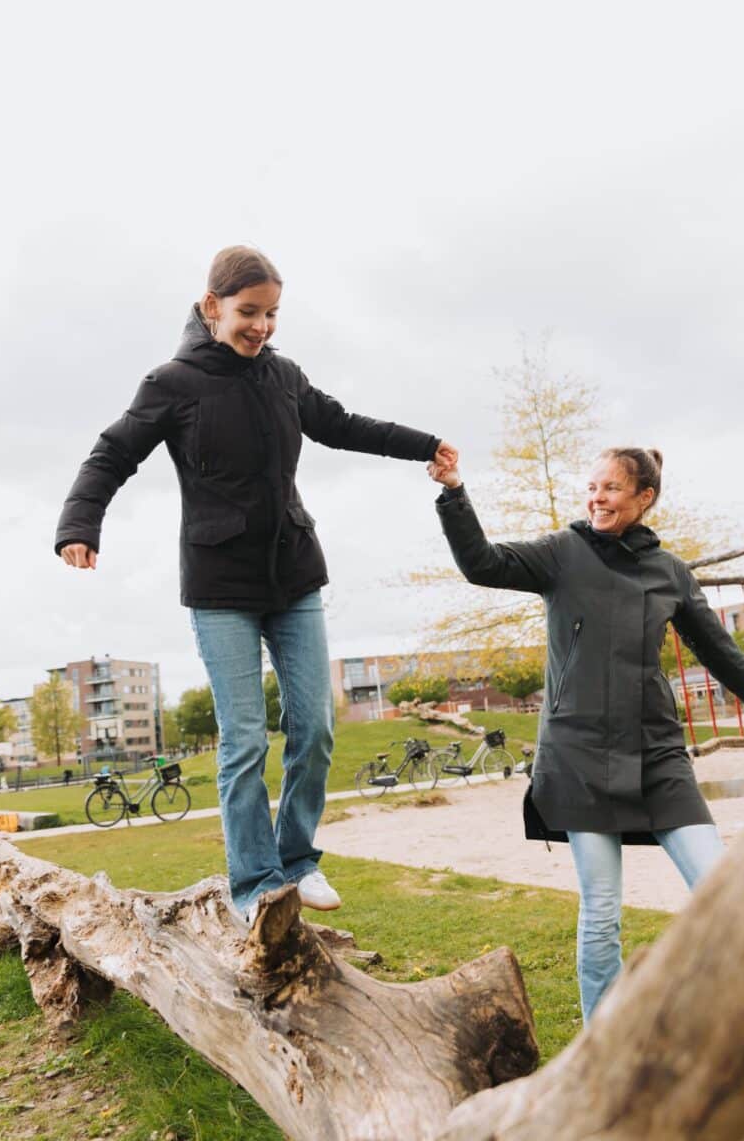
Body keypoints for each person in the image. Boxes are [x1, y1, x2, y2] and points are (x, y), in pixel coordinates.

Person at [56, 245, 457, 930]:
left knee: (317, 727)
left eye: (272, 314)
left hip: (294, 573)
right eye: (249, 313)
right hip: (220, 588)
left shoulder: (284, 377)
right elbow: (112, 453)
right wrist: (80, 523)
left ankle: (298, 858)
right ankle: (256, 882)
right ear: (212, 307)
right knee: (244, 741)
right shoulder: (173, 383)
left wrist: (424, 443)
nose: (262, 327)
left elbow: (342, 425)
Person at [428, 446, 744, 1021]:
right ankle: (599, 1043)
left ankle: (722, 1022)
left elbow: (724, 656)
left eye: (610, 488)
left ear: (644, 498)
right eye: (592, 487)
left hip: (657, 753)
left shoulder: (670, 573)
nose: (596, 498)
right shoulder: (563, 553)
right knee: (602, 908)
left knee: (721, 893)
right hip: (578, 754)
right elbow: (481, 563)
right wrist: (454, 492)